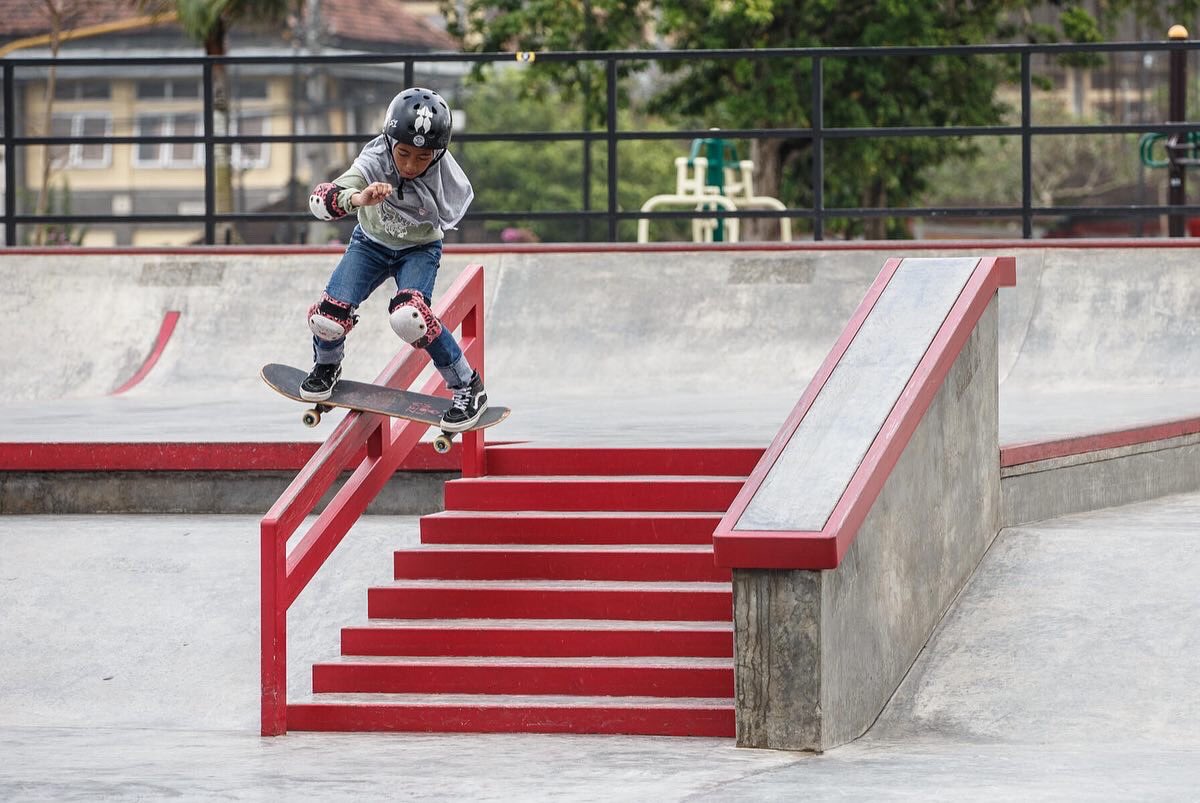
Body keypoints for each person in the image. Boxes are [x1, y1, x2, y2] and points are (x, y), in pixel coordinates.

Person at [302, 87, 487, 432]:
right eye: (403, 154)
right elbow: (321, 201)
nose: (410, 165)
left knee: (410, 318)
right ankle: (326, 366)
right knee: (327, 318)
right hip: (369, 245)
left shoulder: (446, 175)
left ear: (437, 153)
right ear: (390, 142)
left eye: (423, 157)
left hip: (418, 251)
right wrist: (359, 198)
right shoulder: (375, 158)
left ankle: (467, 386)